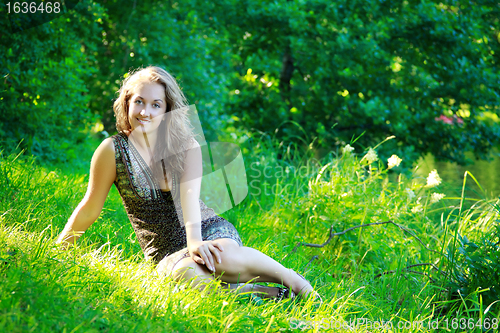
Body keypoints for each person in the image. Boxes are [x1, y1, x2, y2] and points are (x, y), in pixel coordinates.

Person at [56, 65, 319, 301]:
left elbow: (190, 200)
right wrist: (60, 247)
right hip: (164, 249)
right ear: (127, 103)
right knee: (186, 273)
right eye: (139, 102)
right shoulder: (112, 151)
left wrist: (195, 241)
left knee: (222, 258)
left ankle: (293, 280)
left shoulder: (185, 146)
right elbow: (91, 205)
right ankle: (252, 292)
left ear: (168, 109)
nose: (145, 112)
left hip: (205, 228)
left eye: (156, 105)